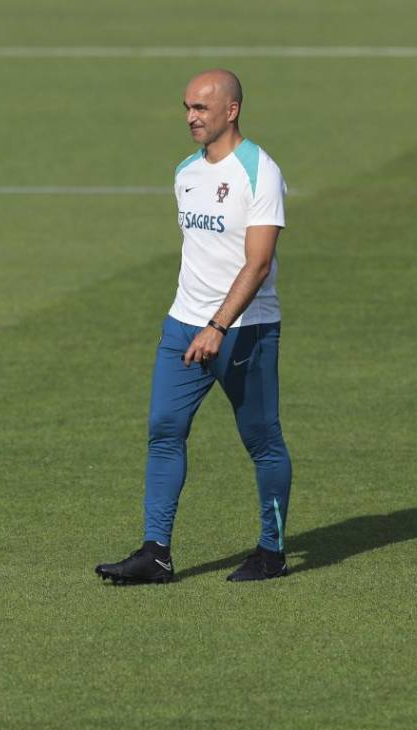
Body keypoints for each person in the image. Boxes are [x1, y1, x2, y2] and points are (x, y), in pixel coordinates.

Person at [96, 69, 292, 585]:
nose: (190, 117)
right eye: (187, 107)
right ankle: (155, 553)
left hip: (243, 330)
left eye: (201, 108)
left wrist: (218, 326)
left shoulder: (260, 172)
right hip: (183, 325)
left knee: (261, 439)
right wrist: (194, 320)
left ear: (232, 111)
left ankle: (272, 553)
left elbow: (259, 262)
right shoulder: (185, 172)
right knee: (164, 431)